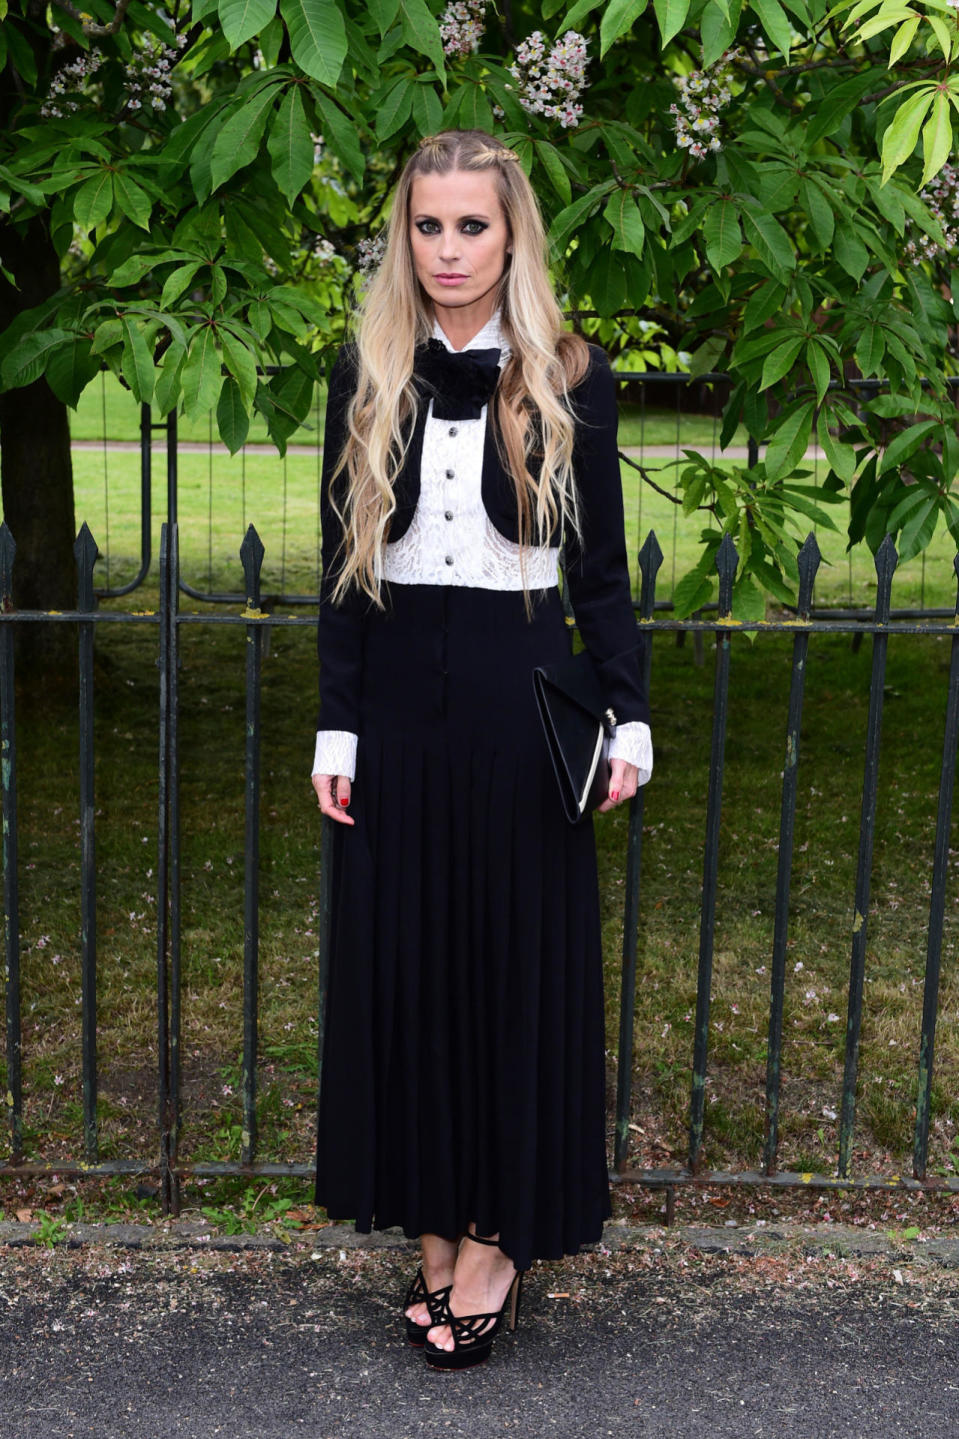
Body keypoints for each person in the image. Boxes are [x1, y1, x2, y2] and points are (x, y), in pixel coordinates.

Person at [311, 128, 652, 1371]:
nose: (447, 249)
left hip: (521, 707)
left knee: (508, 967)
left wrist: (630, 711)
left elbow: (602, 577)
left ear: (511, 235)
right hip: (398, 710)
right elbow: (342, 576)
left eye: (471, 226)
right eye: (426, 225)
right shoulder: (368, 364)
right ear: (401, 234)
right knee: (410, 969)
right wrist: (336, 723)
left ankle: (497, 1236)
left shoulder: (568, 373)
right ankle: (437, 1217)